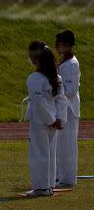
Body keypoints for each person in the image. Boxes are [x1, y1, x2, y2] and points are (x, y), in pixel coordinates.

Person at [24, 41, 67, 197]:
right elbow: (61, 100)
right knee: (50, 152)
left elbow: (39, 102)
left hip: (41, 120)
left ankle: (42, 187)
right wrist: (59, 118)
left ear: (36, 58)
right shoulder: (56, 77)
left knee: (39, 153)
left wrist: (51, 120)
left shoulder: (35, 78)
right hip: (53, 118)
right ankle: (48, 185)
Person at [55, 30, 80, 187]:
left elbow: (70, 90)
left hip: (69, 109)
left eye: (60, 43)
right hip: (63, 107)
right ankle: (60, 175)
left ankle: (68, 178)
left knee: (68, 145)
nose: (56, 46)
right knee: (61, 145)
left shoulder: (71, 64)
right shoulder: (65, 61)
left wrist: (54, 91)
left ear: (68, 45)